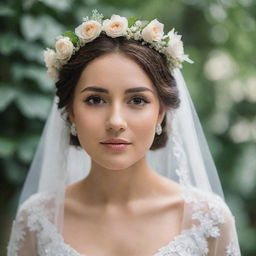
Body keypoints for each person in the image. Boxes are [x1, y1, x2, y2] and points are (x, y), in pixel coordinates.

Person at [7, 10, 241, 256]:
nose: (116, 121)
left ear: (160, 113)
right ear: (71, 111)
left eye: (137, 100)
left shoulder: (210, 220)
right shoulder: (36, 220)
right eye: (95, 99)